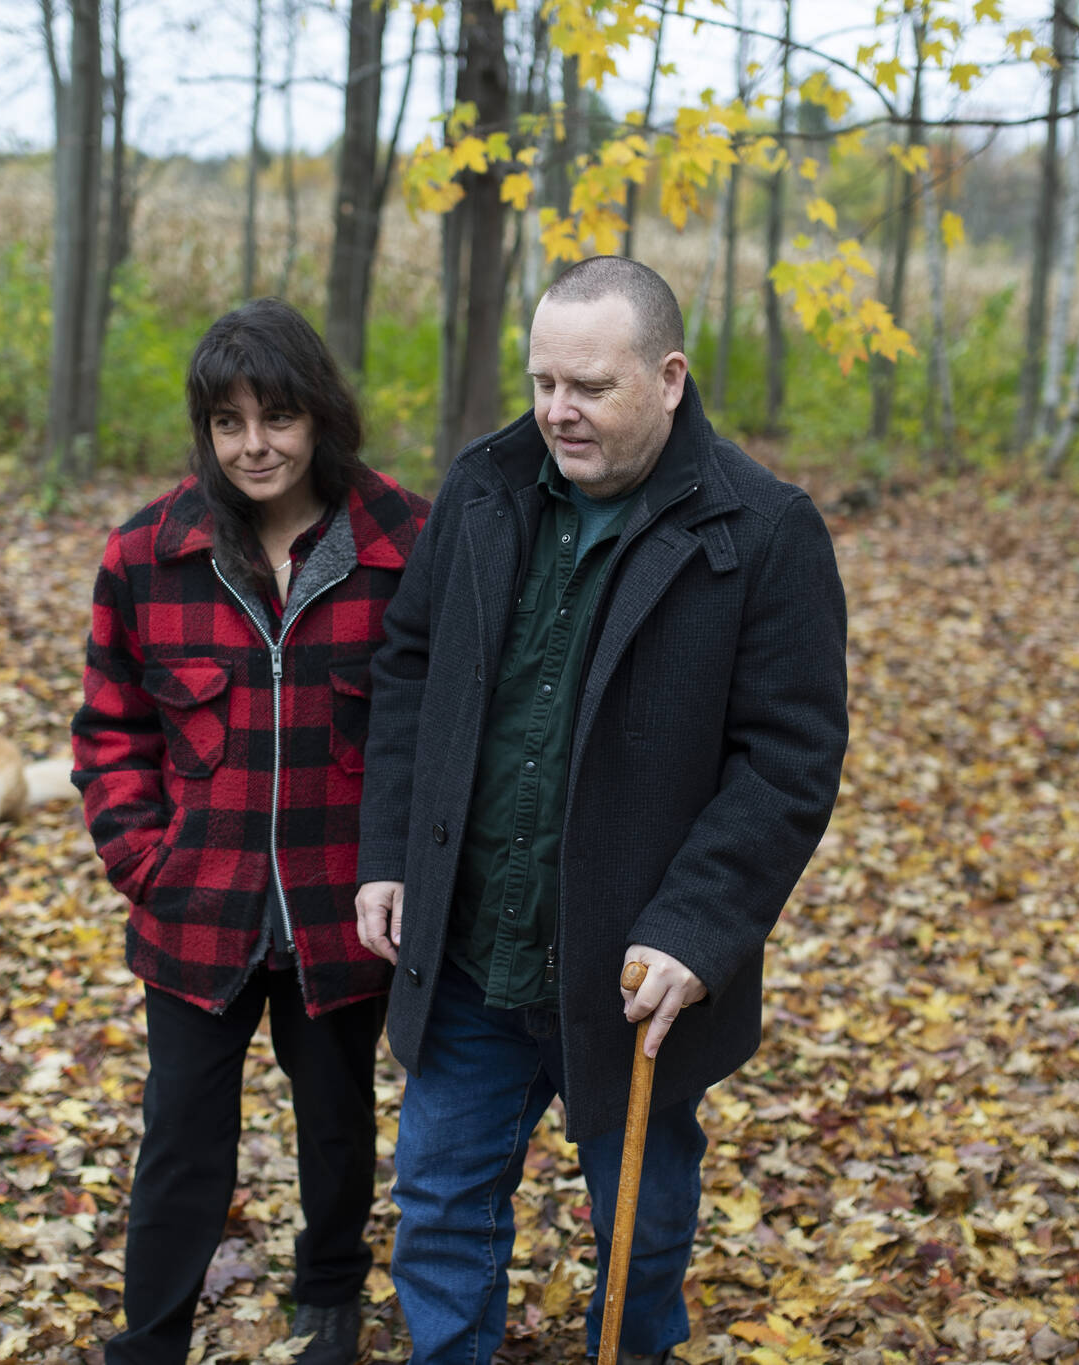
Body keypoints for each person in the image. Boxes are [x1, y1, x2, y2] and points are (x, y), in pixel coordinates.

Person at [352, 256, 848, 1364]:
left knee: (641, 1236)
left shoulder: (763, 533)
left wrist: (697, 929)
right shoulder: (483, 488)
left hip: (634, 981)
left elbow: (790, 758)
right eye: (541, 383)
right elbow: (410, 668)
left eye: (588, 387)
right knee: (436, 1210)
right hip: (474, 949)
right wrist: (387, 848)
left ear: (668, 377)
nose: (556, 413)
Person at [72, 297, 430, 1365]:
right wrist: (146, 862)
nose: (253, 445)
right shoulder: (148, 552)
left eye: (275, 417)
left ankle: (327, 1303)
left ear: (318, 413)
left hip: (343, 909)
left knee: (335, 1124)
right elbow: (108, 726)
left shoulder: (402, 542)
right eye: (227, 423)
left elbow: (435, 724)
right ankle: (151, 1338)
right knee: (180, 1140)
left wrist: (401, 866)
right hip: (198, 912)